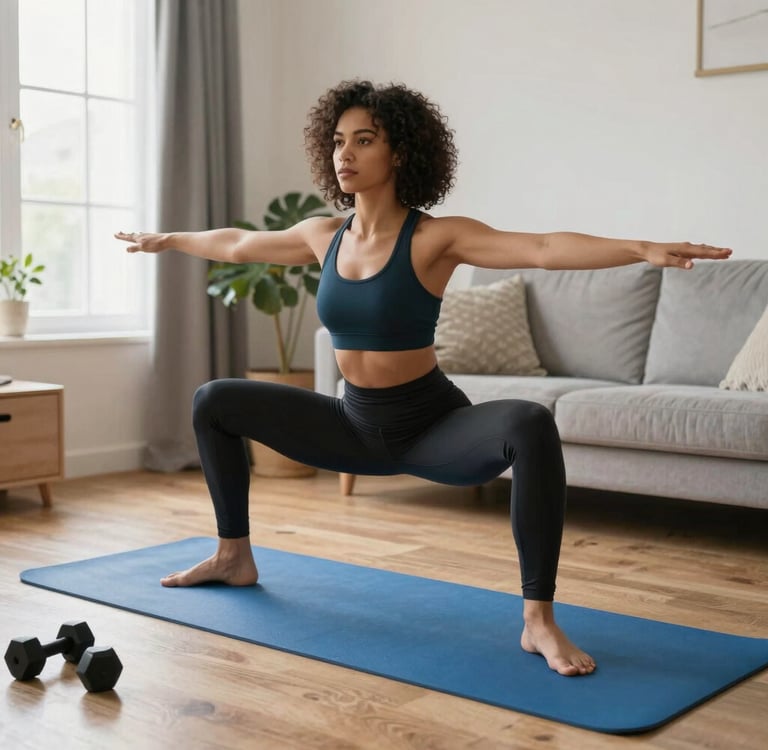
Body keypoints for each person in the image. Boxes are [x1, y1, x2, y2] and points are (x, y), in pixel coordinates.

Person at [115, 79, 731, 677]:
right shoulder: (323, 235)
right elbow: (243, 244)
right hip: (352, 424)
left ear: (399, 152)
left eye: (363, 140)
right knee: (215, 400)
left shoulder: (436, 237)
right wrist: (168, 239)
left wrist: (643, 247)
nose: (344, 155)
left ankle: (538, 619)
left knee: (530, 422)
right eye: (337, 141)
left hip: (432, 428)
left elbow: (542, 247)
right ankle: (234, 556)